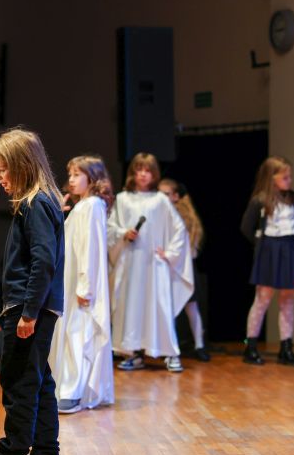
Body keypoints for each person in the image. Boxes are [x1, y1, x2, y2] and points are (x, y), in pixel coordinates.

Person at [0, 128, 65, 455]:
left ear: (22, 165)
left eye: (2, 169)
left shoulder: (35, 203)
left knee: (18, 381)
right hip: (36, 306)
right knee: (38, 381)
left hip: (29, 307)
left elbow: (43, 261)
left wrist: (28, 312)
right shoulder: (43, 200)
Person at [107, 153, 194, 373]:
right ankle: (134, 353)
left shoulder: (160, 200)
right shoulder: (123, 199)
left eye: (148, 170)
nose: (143, 174)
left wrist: (169, 253)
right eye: (139, 169)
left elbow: (179, 229)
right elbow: (110, 228)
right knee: (132, 308)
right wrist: (124, 233)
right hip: (130, 263)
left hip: (154, 265)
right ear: (133, 172)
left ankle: (171, 353)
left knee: (159, 308)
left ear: (154, 174)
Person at [48, 155, 115, 414]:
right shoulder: (82, 206)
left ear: (93, 178)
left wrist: (86, 286)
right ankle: (69, 388)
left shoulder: (92, 205)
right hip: (72, 279)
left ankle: (74, 391)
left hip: (82, 283)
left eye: (77, 174)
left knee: (79, 333)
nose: (71, 180)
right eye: (71, 174)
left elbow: (91, 248)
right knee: (71, 332)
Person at [239, 156, 294, 367]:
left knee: (288, 300)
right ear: (271, 177)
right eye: (284, 176)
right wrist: (262, 246)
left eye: (290, 176)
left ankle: (286, 348)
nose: (289, 180)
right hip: (270, 250)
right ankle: (250, 346)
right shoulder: (260, 200)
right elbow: (246, 227)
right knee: (263, 298)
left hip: (291, 249)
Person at [159, 178, 209, 361]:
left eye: (166, 194)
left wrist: (169, 253)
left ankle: (199, 345)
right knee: (167, 306)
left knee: (191, 306)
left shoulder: (183, 215)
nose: (162, 198)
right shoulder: (159, 213)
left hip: (184, 265)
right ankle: (169, 347)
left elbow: (186, 244)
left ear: (175, 196)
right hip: (166, 264)